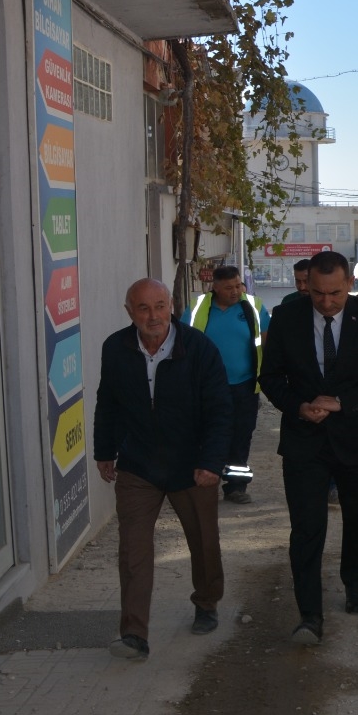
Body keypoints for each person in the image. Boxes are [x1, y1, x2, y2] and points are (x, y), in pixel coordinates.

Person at [259, 251, 358, 645]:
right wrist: (298, 407)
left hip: (357, 438)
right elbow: (270, 377)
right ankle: (309, 614)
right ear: (306, 285)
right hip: (304, 441)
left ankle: (356, 582)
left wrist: (342, 402)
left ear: (349, 284)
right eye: (317, 293)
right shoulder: (286, 317)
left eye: (335, 293)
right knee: (307, 528)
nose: (325, 302)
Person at [93, 279, 232, 660]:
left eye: (159, 306)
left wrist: (211, 462)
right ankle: (133, 633)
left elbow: (220, 409)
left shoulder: (199, 348)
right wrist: (104, 450)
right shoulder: (116, 348)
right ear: (129, 312)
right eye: (143, 308)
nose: (153, 316)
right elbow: (107, 402)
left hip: (192, 465)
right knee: (133, 550)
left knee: (204, 541)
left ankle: (206, 603)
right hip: (138, 465)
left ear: (171, 305)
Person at [189, 265, 270, 504]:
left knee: (241, 436)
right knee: (205, 433)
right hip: (207, 386)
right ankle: (203, 482)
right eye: (228, 288)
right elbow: (183, 341)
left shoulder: (253, 307)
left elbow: (268, 342)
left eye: (237, 285)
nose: (235, 291)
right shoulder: (197, 308)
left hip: (244, 385)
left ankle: (236, 487)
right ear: (215, 287)